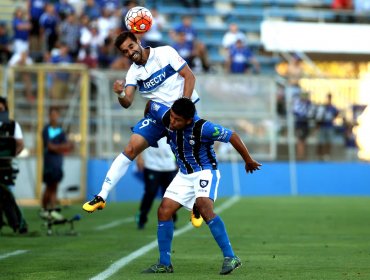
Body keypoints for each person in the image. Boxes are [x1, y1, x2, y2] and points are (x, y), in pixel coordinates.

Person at [82, 31, 200, 213]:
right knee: (130, 148)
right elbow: (127, 102)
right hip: (157, 116)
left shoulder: (165, 52)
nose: (129, 52)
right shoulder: (133, 73)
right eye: (124, 51)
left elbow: (189, 76)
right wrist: (120, 93)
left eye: (131, 46)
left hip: (181, 114)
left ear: (138, 41)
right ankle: (102, 196)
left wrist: (183, 106)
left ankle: (195, 206)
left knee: (190, 159)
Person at [142, 98, 261, 274]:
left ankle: (231, 257)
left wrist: (248, 160)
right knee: (164, 211)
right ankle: (164, 263)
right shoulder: (167, 116)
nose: (172, 122)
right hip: (183, 174)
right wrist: (149, 122)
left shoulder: (204, 128)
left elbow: (232, 136)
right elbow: (151, 104)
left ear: (188, 120)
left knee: (205, 207)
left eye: (177, 120)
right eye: (172, 117)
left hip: (205, 171)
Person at [136, 137, 178, 230]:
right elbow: (140, 141)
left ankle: (171, 221)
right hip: (151, 165)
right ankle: (142, 218)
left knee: (170, 195)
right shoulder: (152, 125)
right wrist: (139, 158)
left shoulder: (173, 126)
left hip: (169, 166)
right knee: (150, 193)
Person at [0, 96, 28, 233]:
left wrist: (10, 156)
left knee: (6, 194)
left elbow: (20, 144)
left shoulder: (12, 125)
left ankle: (16, 222)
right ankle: (16, 223)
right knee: (5, 195)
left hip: (5, 166)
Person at [40, 107, 73, 220]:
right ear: (49, 116)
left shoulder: (60, 130)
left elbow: (68, 145)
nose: (54, 117)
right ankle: (48, 209)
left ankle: (47, 209)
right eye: (52, 115)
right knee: (50, 186)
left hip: (58, 162)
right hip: (49, 162)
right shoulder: (46, 130)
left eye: (56, 115)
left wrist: (56, 148)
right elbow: (50, 147)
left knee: (54, 186)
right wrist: (61, 147)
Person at [315, 93, 339, 161]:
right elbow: (318, 117)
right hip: (322, 126)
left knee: (329, 141)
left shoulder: (333, 108)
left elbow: (336, 114)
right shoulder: (322, 107)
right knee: (321, 141)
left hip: (329, 126)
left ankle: (327, 155)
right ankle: (320, 155)